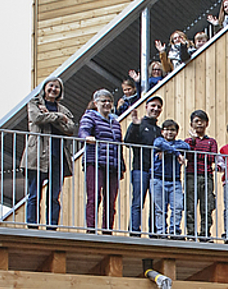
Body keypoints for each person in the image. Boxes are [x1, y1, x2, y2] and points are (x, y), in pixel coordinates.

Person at [20, 76, 77, 229]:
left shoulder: (64, 109)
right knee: (34, 194)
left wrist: (51, 117)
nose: (53, 89)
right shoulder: (35, 104)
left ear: (60, 91)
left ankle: (52, 227)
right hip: (37, 155)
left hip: (58, 156)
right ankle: (32, 226)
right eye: (51, 86)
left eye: (57, 87)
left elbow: (70, 129)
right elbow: (37, 118)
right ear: (45, 87)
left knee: (53, 196)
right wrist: (59, 118)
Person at [78, 89, 125, 233]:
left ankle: (107, 229)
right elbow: (83, 131)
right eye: (103, 101)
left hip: (112, 164)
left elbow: (119, 144)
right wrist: (87, 137)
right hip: (95, 161)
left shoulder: (115, 122)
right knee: (94, 196)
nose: (107, 103)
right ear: (95, 103)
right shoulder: (90, 117)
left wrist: (121, 165)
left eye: (109, 101)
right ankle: (91, 229)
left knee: (111, 200)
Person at [124, 95, 164, 235]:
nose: (156, 109)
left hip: (157, 172)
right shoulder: (139, 125)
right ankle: (134, 231)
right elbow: (128, 141)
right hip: (140, 168)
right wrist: (134, 124)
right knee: (138, 202)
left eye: (159, 107)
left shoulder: (160, 130)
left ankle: (153, 232)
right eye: (153, 106)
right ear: (146, 107)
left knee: (156, 203)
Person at [151, 120, 190, 238]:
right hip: (158, 179)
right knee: (160, 209)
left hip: (175, 180)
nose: (170, 132)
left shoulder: (179, 143)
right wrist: (177, 154)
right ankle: (161, 231)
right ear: (162, 131)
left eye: (172, 130)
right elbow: (159, 144)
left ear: (177, 132)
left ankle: (174, 230)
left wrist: (168, 150)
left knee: (177, 207)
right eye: (167, 129)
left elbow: (186, 146)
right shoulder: (158, 140)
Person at [184, 110, 218, 241]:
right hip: (191, 175)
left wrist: (196, 154)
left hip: (207, 176)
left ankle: (205, 234)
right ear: (191, 124)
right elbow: (187, 154)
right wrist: (193, 142)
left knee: (207, 206)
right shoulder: (188, 141)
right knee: (190, 206)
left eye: (201, 121)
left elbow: (212, 158)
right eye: (196, 121)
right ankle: (191, 234)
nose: (199, 124)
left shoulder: (211, 142)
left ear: (207, 123)